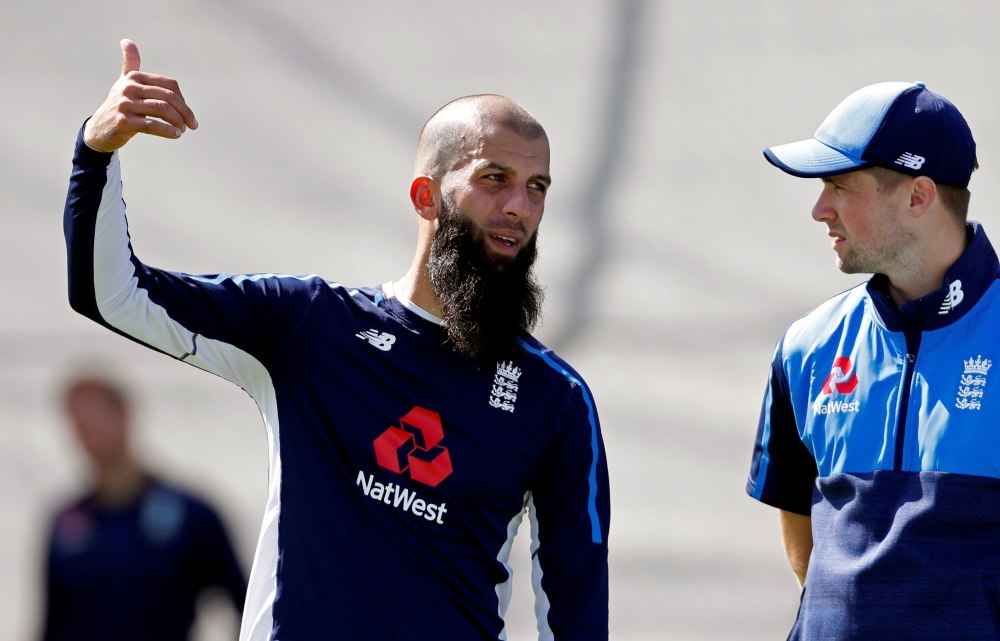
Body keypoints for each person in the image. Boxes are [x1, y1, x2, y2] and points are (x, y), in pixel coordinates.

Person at [63, 40, 610, 640]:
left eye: (538, 187)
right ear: (426, 197)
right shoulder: (309, 324)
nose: (520, 207)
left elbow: (575, 612)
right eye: (494, 178)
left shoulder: (556, 398)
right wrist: (96, 149)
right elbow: (112, 294)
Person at [744, 80, 1000, 639]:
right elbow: (798, 515)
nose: (818, 209)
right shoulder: (807, 344)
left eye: (838, 185)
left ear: (917, 195)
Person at [43, 374, 246, 641]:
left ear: (125, 415)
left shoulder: (191, 515)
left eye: (98, 414)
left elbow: (244, 605)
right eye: (78, 420)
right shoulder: (67, 523)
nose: (88, 428)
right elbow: (51, 622)